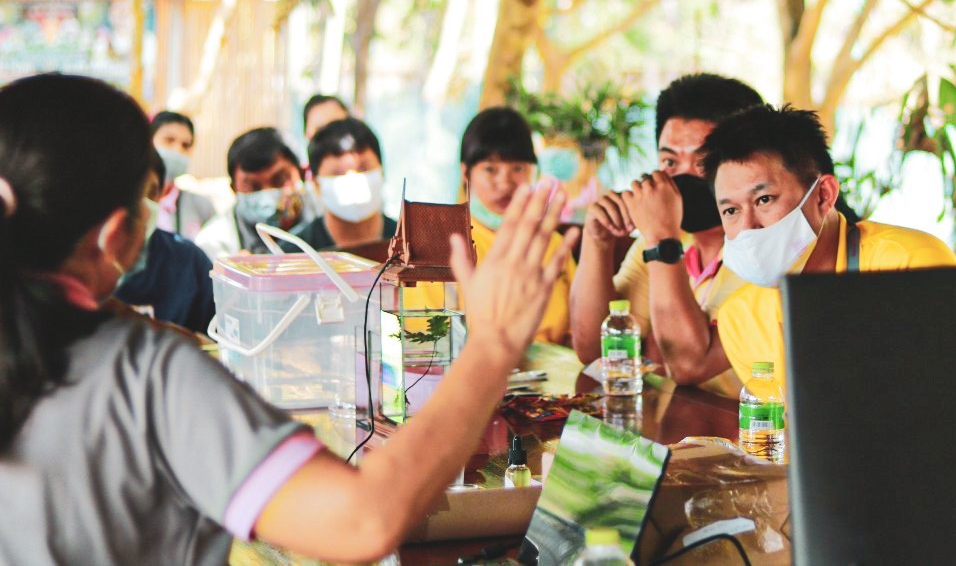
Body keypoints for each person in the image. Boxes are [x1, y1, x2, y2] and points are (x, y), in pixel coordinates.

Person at [0, 73, 575, 565]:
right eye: (147, 203)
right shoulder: (150, 377)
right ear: (115, 236)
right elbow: (360, 520)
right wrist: (491, 347)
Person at [705, 105, 956, 388]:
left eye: (764, 200)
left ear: (823, 195)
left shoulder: (909, 267)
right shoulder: (739, 320)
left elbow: (948, 392)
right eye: (731, 211)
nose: (748, 227)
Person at [569, 73, 763, 395]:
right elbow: (596, 352)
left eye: (703, 161)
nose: (683, 176)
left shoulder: (765, 248)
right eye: (670, 160)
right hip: (679, 423)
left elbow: (689, 366)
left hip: (753, 425)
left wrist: (662, 241)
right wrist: (597, 241)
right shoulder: (667, 237)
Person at [453, 107, 577, 344]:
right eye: (490, 169)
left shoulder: (554, 244)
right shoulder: (445, 246)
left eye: (518, 168)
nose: (505, 183)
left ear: (535, 172)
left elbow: (579, 332)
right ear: (465, 172)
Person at [114, 148, 217, 334]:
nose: (143, 207)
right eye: (134, 193)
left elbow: (216, 337)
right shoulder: (78, 263)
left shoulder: (189, 261)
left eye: (152, 193)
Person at [194, 128, 318, 261]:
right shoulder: (214, 245)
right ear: (234, 190)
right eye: (253, 187)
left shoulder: (327, 216)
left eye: (279, 180)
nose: (267, 198)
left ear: (303, 174)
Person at [286, 118, 397, 251]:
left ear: (382, 172)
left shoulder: (411, 243)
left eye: (363, 168)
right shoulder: (293, 253)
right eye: (338, 173)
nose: (353, 180)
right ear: (316, 184)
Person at [151, 110, 215, 242]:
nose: (177, 150)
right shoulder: (126, 200)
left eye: (185, 145)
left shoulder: (202, 207)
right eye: (169, 140)